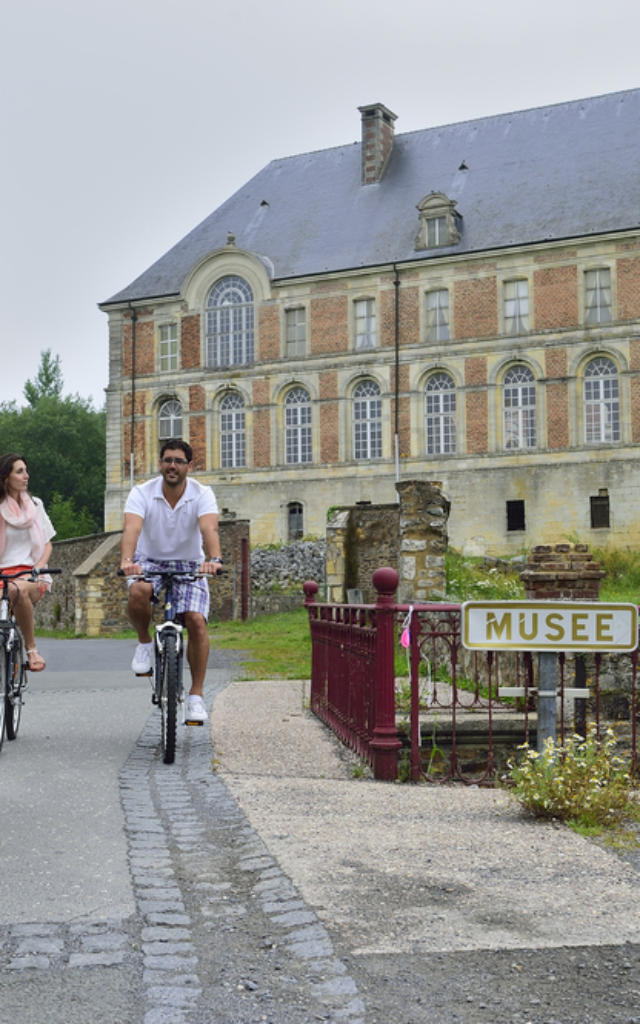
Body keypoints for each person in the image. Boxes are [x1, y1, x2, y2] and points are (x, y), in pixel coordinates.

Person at [120, 439, 223, 723]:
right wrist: (127, 561)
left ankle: (196, 697)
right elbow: (132, 526)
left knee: (196, 620)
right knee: (139, 591)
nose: (172, 466)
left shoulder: (202, 493)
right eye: (168, 460)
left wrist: (214, 560)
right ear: (160, 464)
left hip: (189, 562)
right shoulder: (142, 492)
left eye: (179, 461)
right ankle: (143, 644)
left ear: (190, 466)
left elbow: (209, 527)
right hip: (150, 559)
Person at [0, 453, 55, 672]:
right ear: (6, 477)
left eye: (26, 470)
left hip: (30, 574)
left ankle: (31, 649)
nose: (26, 476)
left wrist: (40, 565)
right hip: (2, 573)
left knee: (17, 590)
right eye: (20, 471)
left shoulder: (35, 505)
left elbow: (47, 543)